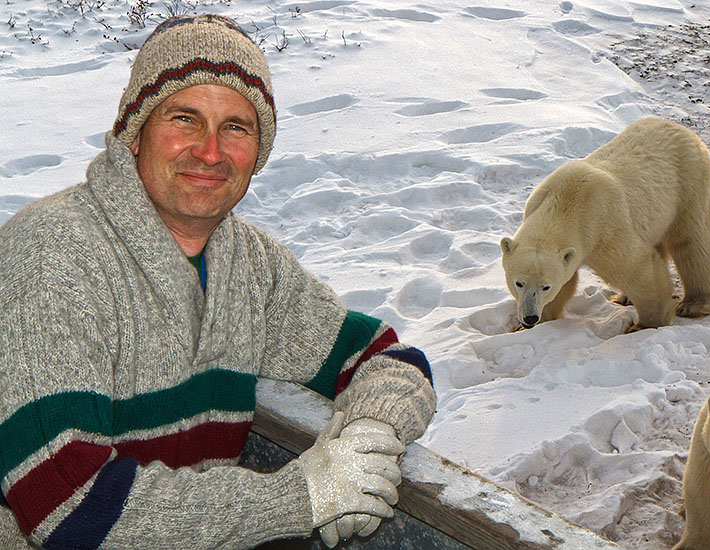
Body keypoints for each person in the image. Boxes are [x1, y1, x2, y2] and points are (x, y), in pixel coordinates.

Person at [0, 14, 436, 550]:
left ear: (259, 152)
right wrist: (302, 496)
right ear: (134, 134)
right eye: (185, 118)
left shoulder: (248, 266)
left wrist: (371, 439)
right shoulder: (54, 256)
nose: (210, 151)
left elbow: (386, 358)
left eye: (236, 126)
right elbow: (69, 507)